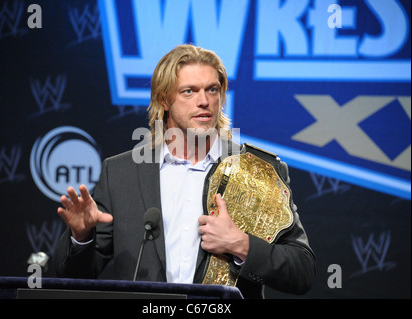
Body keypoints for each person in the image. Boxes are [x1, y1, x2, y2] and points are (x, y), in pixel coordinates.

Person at [53, 44, 316, 298]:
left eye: (212, 90)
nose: (204, 101)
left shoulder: (257, 171)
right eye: (189, 91)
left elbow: (302, 271)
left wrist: (240, 244)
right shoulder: (120, 173)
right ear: (164, 99)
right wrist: (81, 237)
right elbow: (71, 278)